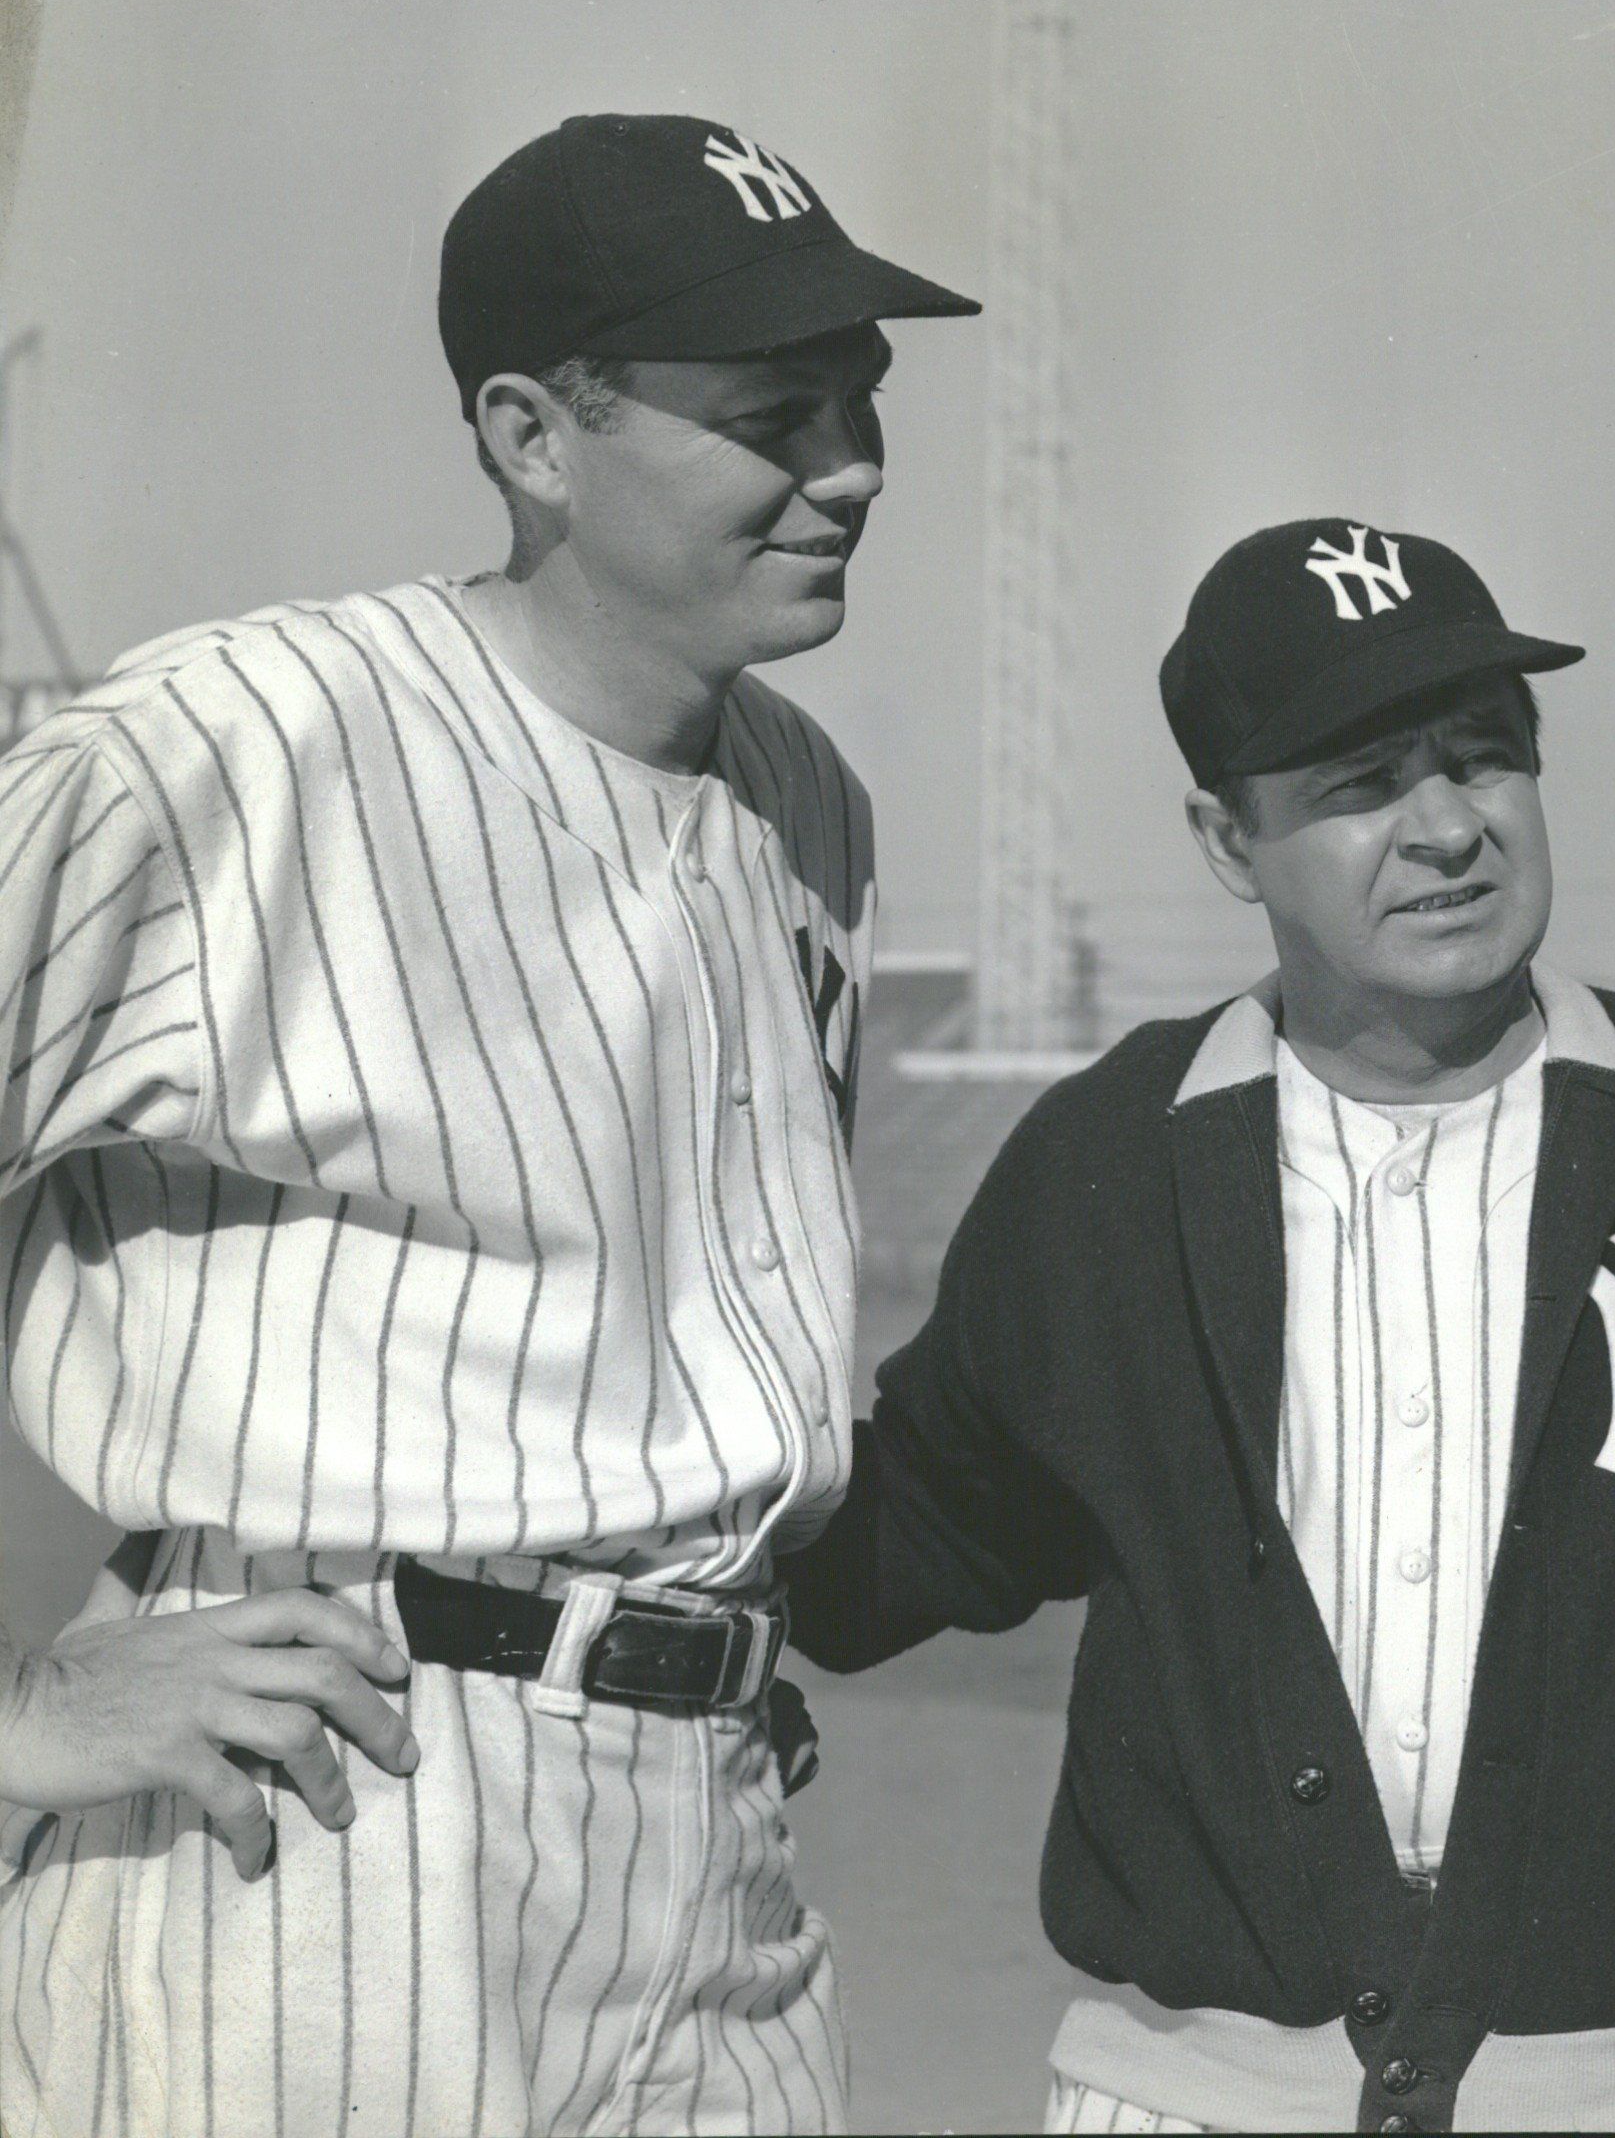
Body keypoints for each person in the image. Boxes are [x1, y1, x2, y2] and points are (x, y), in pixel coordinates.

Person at [0, 112, 975, 2136]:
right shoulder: (221, 751)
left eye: (861, 398)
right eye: (775, 411)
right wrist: (15, 1713)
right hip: (331, 1810)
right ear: (535, 438)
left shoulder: (806, 798)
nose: (854, 466)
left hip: (708, 1831)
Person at [779, 517, 1615, 2133]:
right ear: (1225, 839)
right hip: (1199, 2086)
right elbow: (887, 1545)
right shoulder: (1105, 1167)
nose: (1444, 830)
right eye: (1355, 787)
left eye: (1483, 758)